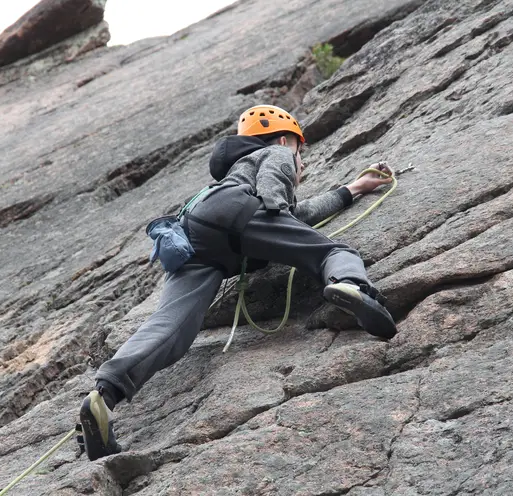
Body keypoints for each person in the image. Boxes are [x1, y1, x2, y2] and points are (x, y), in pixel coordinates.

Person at [78, 104, 397, 460]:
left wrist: (355, 187)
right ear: (284, 138)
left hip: (196, 232)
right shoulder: (277, 151)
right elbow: (282, 199)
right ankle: (351, 285)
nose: (301, 162)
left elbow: (299, 213)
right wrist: (276, 206)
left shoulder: (227, 176)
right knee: (332, 251)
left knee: (171, 325)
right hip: (239, 214)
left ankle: (105, 395)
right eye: (300, 151)